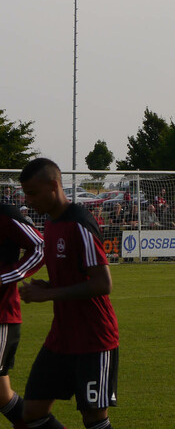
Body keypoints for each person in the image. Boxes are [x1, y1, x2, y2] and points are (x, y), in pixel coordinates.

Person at [18, 158, 118, 429]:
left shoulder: (79, 223)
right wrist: (48, 286)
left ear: (53, 185)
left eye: (33, 193)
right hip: (61, 338)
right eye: (25, 193)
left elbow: (102, 284)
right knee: (32, 412)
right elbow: (75, 277)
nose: (29, 200)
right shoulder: (51, 224)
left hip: (94, 338)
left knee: (94, 418)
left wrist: (48, 295)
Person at [0, 179, 45, 428]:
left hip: (1, 315)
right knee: (2, 395)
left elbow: (40, 246)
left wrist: (5, 277)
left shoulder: (5, 214)